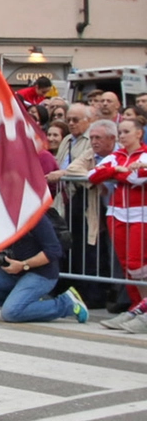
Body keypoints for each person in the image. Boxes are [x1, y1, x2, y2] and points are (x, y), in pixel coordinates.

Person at [0, 213, 87, 323]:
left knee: (10, 314)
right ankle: (26, 304)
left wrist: (24, 265)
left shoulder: (36, 216)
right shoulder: (3, 215)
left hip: (41, 273)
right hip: (12, 271)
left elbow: (54, 251)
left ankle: (67, 304)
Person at [89, 117, 147, 308]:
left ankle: (143, 307)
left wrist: (113, 172)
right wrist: (116, 169)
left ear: (139, 133)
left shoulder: (144, 154)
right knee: (124, 264)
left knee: (135, 263)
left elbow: (135, 178)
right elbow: (93, 175)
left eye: (126, 132)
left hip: (141, 214)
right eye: (120, 132)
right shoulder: (116, 156)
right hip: (116, 214)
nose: (122, 136)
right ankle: (136, 306)